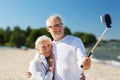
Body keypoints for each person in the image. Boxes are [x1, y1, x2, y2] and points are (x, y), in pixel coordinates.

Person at [46, 15, 91, 80]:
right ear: (48, 29)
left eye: (60, 25)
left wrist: (86, 64)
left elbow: (82, 61)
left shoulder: (75, 41)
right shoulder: (50, 46)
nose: (59, 28)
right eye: (55, 25)